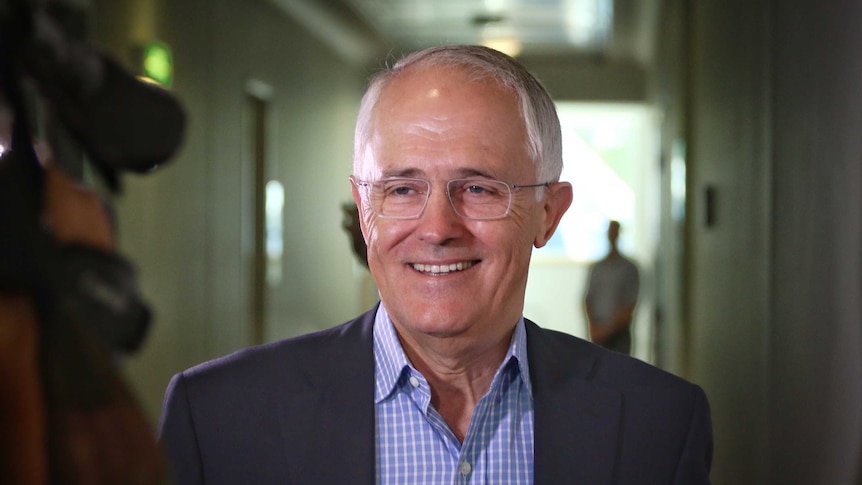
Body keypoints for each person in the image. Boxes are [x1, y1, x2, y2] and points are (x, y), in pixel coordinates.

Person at [158, 45, 713, 484]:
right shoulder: (216, 419)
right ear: (364, 208)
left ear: (548, 212)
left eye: (478, 187)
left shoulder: (657, 424)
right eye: (402, 189)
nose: (438, 228)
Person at [583, 219, 640, 354]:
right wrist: (594, 328)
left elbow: (630, 304)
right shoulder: (597, 268)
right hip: (598, 332)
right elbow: (588, 299)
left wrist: (607, 330)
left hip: (619, 335)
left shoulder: (629, 268)